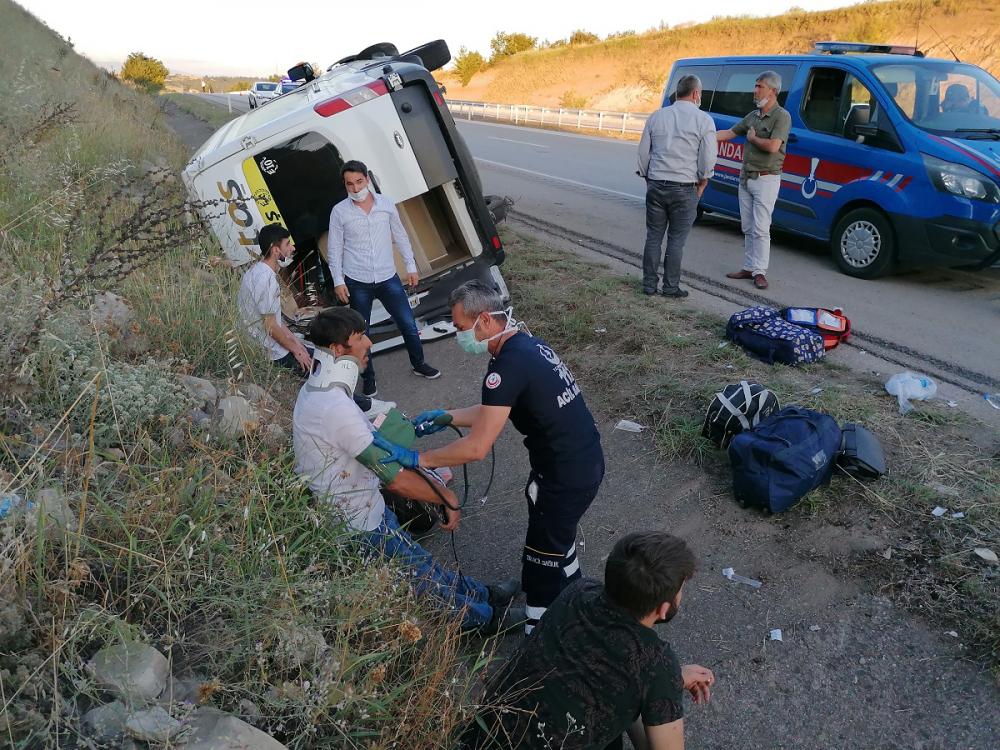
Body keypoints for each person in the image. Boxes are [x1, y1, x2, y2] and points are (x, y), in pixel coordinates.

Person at [372, 280, 605, 634]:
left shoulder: (504, 368)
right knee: (562, 542)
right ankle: (578, 602)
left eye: (462, 328)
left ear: (483, 320)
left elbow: (476, 448)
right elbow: (499, 408)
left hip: (561, 478)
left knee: (541, 562)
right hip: (586, 462)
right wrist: (449, 415)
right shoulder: (526, 346)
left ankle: (539, 637)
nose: (459, 337)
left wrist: (417, 459)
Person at [292, 307, 524, 634]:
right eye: (360, 339)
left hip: (365, 508)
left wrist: (415, 428)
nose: (369, 343)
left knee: (420, 562)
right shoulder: (332, 407)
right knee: (420, 582)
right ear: (337, 351)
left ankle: (478, 594)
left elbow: (370, 439)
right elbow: (394, 479)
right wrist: (443, 496)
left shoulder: (321, 393)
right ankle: (484, 623)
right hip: (355, 525)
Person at [462, 531, 715, 750]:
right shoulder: (655, 664)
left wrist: (667, 683)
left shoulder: (579, 591)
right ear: (662, 609)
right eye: (681, 589)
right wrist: (665, 685)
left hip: (478, 735)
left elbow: (613, 673)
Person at [237, 223, 393, 417]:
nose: (293, 248)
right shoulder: (264, 279)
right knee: (326, 373)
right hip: (269, 353)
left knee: (326, 363)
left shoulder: (259, 273)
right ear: (276, 250)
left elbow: (276, 321)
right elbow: (270, 327)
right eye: (288, 244)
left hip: (272, 346)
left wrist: (297, 343)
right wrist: (296, 352)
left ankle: (360, 406)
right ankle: (365, 408)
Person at [327, 160, 441, 400]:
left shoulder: (386, 204)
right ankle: (369, 379)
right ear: (345, 186)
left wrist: (411, 266)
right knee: (361, 335)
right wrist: (338, 280)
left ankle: (419, 364)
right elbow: (334, 249)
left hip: (388, 277)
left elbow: (400, 235)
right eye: (350, 184)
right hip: (358, 281)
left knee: (408, 324)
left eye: (359, 181)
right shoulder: (340, 212)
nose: (356, 188)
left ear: (367, 178)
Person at [637, 73, 717, 298]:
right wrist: (703, 183)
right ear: (696, 94)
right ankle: (670, 287)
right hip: (684, 188)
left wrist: (648, 177)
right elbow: (707, 158)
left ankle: (648, 285)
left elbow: (644, 152)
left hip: (656, 185)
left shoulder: (657, 116)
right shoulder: (703, 120)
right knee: (676, 241)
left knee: (653, 237)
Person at [716, 70, 792, 291]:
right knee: (748, 226)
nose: (755, 91)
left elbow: (773, 146)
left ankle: (760, 271)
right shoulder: (752, 116)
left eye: (760, 87)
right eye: (756, 86)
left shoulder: (781, 117)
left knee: (761, 228)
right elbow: (729, 133)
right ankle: (749, 267)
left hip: (766, 180)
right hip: (746, 179)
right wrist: (702, 134)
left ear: (773, 91)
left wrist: (753, 138)